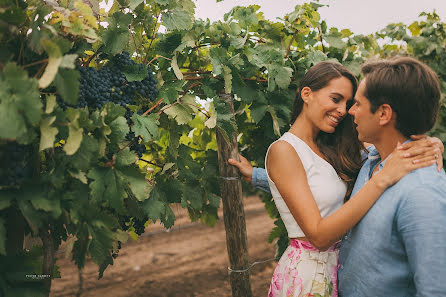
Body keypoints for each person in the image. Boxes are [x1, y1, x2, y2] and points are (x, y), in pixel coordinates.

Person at [227, 60, 444, 297]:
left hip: (332, 273)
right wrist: (381, 180)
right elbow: (311, 210)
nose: (346, 111)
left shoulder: (342, 150)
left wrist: (427, 142)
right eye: (336, 99)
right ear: (306, 94)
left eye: (352, 103)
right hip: (310, 277)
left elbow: (319, 184)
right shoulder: (369, 165)